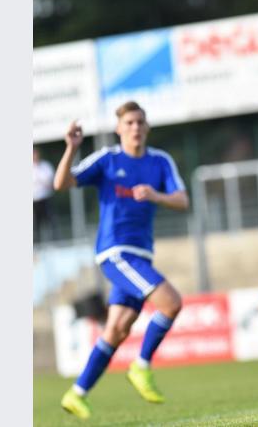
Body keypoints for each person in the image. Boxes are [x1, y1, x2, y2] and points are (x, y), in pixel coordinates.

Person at [54, 101, 189, 420]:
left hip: (141, 253)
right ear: (119, 129)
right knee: (171, 303)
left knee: (117, 328)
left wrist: (156, 195)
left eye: (140, 122)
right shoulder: (108, 159)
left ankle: (77, 393)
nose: (135, 127)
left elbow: (182, 200)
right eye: (128, 123)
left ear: (147, 126)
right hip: (115, 253)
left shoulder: (160, 161)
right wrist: (71, 148)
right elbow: (62, 183)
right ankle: (141, 366)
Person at [33, 147, 56, 242]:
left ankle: (55, 242)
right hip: (34, 200)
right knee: (35, 225)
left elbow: (50, 180)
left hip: (45, 198)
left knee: (51, 222)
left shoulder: (46, 166)